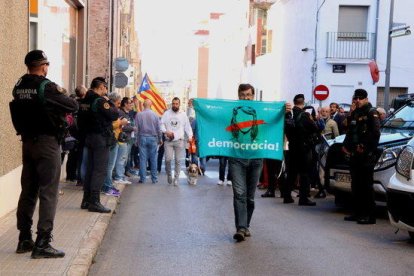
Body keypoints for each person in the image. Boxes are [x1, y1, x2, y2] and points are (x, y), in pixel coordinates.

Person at [10, 50, 78, 258]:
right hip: (47, 144)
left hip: (28, 143)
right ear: (43, 66)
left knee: (28, 191)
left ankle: (24, 238)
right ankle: (43, 242)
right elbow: (73, 105)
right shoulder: (45, 86)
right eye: (47, 64)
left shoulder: (19, 85)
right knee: (48, 191)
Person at [228, 83, 264, 242]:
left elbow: (277, 124)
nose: (246, 98)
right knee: (239, 194)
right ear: (238, 96)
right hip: (237, 158)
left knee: (249, 197)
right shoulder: (232, 111)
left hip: (256, 158)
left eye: (248, 95)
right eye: (242, 95)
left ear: (253, 95)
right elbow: (214, 118)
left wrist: (288, 113)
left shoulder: (261, 111)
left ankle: (245, 225)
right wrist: (199, 107)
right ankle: (241, 228)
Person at [80, 77, 119, 213]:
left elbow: (80, 120)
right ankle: (95, 202)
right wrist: (110, 102)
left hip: (89, 137)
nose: (106, 91)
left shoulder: (84, 100)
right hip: (100, 138)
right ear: (101, 86)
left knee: (90, 169)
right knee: (99, 170)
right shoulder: (100, 101)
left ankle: (86, 199)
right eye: (105, 88)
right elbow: (114, 114)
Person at [342, 89, 380, 224]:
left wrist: (364, 146)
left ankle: (370, 215)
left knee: (366, 186)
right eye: (355, 98)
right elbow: (350, 131)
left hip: (366, 155)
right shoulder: (356, 113)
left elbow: (375, 133)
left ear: (366, 99)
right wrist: (345, 145)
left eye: (360, 98)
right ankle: (357, 212)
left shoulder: (371, 112)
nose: (357, 100)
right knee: (356, 185)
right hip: (354, 155)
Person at [283, 94, 319, 206]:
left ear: (294, 102)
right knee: (304, 174)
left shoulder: (289, 115)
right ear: (303, 103)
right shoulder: (304, 115)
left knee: (291, 173)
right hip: (303, 149)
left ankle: (287, 197)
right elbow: (315, 128)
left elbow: (286, 129)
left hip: (292, 147)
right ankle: (303, 198)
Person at [160, 97, 193, 186]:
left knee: (178, 161)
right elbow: (161, 124)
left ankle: (176, 178)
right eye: (173, 103)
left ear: (179, 104)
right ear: (172, 104)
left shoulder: (183, 114)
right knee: (168, 159)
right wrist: (166, 131)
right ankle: (169, 175)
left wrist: (190, 136)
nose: (175, 105)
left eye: (176, 104)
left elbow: (187, 127)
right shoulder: (167, 114)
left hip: (179, 141)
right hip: (168, 141)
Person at [135, 99, 163, 183]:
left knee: (142, 159)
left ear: (143, 105)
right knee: (153, 159)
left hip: (142, 137)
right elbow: (159, 128)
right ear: (151, 105)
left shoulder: (139, 115)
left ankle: (142, 178)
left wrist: (136, 140)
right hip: (153, 138)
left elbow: (136, 129)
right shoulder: (155, 115)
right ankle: (154, 179)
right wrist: (160, 139)